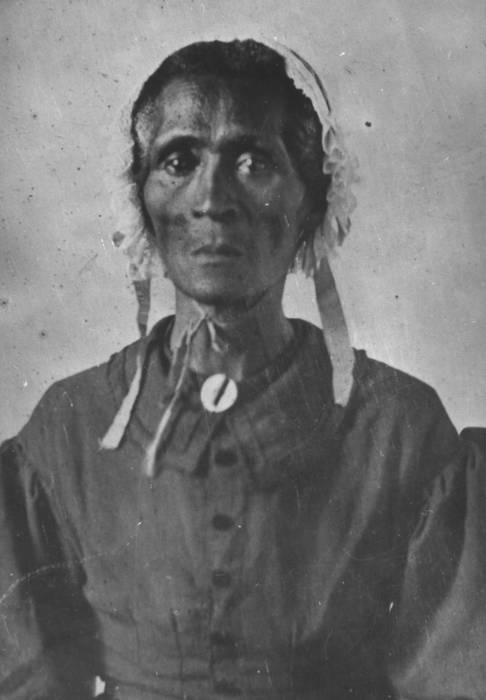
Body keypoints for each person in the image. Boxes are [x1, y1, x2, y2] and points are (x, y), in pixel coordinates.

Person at [0, 38, 485, 700]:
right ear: (141, 199)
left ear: (313, 200)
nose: (211, 199)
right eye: (178, 161)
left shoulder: (400, 430)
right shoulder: (69, 429)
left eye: (254, 161)